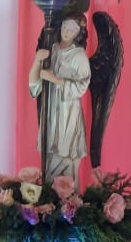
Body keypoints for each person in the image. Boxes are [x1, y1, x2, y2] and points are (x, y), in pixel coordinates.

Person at [28, 15, 91, 187]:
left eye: (72, 29)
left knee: (66, 159)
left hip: (68, 114)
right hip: (51, 114)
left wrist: (55, 78)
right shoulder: (52, 50)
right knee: (50, 161)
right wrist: (37, 61)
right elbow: (34, 87)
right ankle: (50, 198)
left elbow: (81, 87)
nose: (66, 31)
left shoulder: (79, 56)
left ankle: (68, 200)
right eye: (65, 26)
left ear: (77, 33)